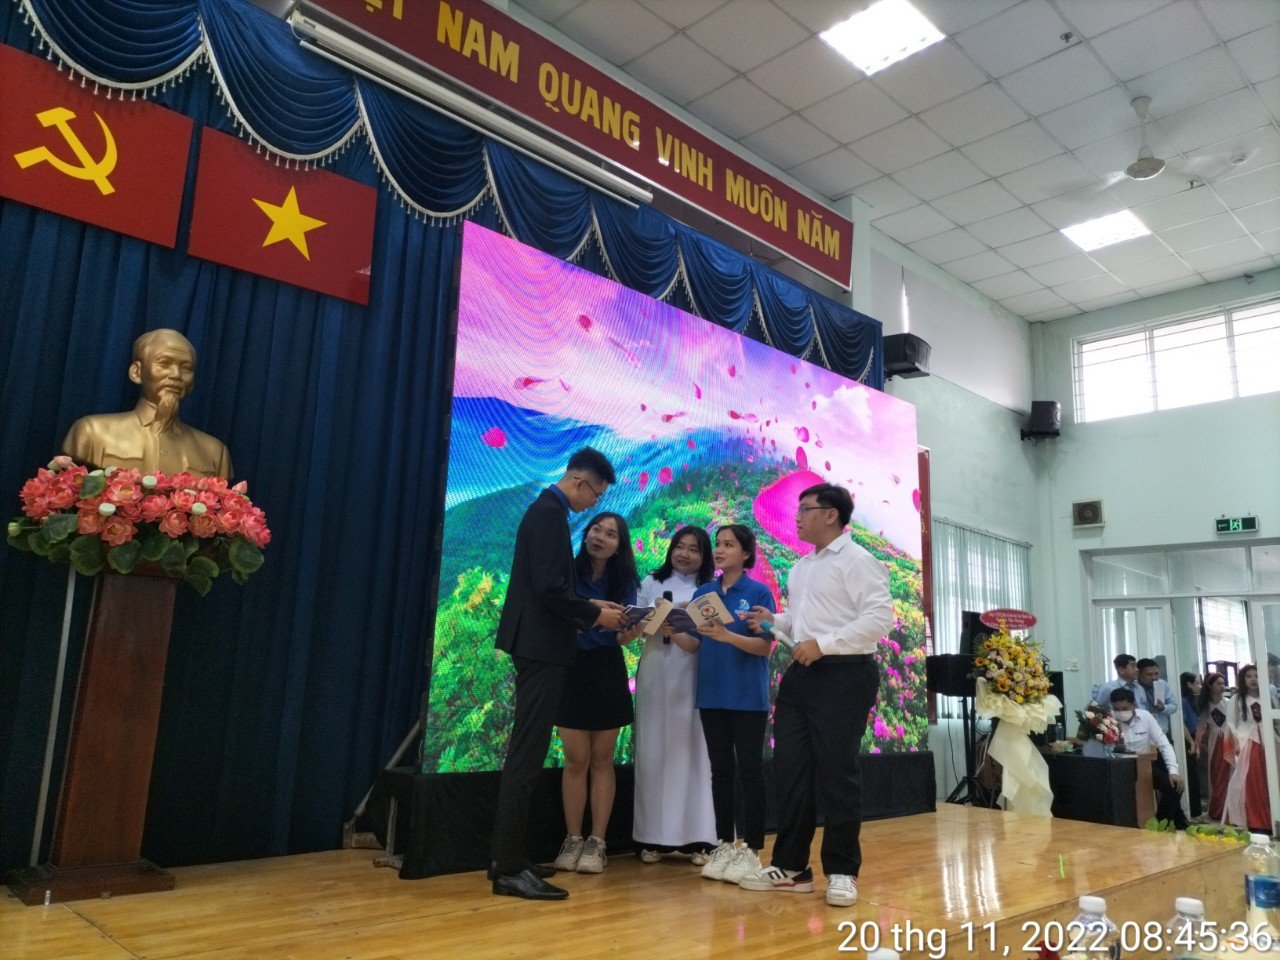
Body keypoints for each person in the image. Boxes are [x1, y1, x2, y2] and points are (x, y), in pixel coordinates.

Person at [739, 483, 893, 908]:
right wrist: (776, 620)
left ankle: (842, 870)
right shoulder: (803, 566)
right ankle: (792, 867)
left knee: (837, 774)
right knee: (791, 771)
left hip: (846, 674)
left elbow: (879, 618)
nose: (797, 518)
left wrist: (823, 644)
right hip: (802, 674)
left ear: (830, 515)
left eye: (805, 510)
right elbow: (804, 620)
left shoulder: (858, 560)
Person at [489, 448, 625, 901]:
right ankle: (508, 869)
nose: (593, 505)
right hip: (540, 648)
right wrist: (595, 615)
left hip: (539, 646)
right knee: (526, 757)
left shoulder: (547, 510)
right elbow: (549, 588)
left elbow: (552, 586)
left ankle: (508, 858)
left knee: (527, 754)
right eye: (596, 495)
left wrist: (591, 606)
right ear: (580, 482)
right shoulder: (549, 513)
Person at [670, 524, 775, 887]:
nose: (719, 549)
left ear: (746, 554)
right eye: (718, 543)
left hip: (747, 697)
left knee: (750, 771)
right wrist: (670, 628)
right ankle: (723, 844)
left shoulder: (758, 592)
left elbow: (764, 647)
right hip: (712, 694)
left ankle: (752, 848)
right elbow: (696, 644)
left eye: (729, 544)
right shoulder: (705, 593)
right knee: (721, 771)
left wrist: (728, 635)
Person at [552, 512, 640, 875]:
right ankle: (573, 838)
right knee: (576, 759)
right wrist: (590, 615)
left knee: (602, 759)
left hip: (606, 668)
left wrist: (630, 633)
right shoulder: (566, 573)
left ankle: (597, 842)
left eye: (610, 534)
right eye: (596, 530)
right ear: (586, 534)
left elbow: (622, 633)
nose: (600, 537)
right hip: (570, 667)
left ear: (619, 546)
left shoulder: (625, 582)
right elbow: (558, 620)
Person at [631, 527, 717, 865]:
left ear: (704, 556)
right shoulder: (651, 581)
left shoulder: (708, 589)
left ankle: (700, 839)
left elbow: (703, 640)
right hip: (655, 671)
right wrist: (649, 621)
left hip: (692, 673)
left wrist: (678, 627)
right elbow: (636, 626)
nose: (684, 554)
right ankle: (653, 837)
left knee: (694, 752)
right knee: (653, 750)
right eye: (679, 547)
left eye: (694, 549)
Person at [62, 328, 232, 478]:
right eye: (164, 363)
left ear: (192, 383)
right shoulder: (92, 432)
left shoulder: (215, 453)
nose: (176, 375)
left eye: (186, 368)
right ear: (137, 372)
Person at [1108, 687, 1187, 829]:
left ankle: (1160, 825)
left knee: (1174, 786)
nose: (1120, 712)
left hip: (1144, 768)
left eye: (1124, 708)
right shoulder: (1108, 722)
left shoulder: (1145, 717)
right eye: (1116, 709)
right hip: (1118, 769)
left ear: (1134, 705)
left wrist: (1173, 771)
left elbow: (1164, 744)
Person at [1223, 664, 1277, 832]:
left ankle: (1272, 819)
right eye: (1249, 676)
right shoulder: (1236, 700)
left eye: (1256, 676)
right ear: (1243, 679)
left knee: (1271, 782)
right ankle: (1254, 820)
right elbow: (1230, 723)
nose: (1253, 679)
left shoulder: (1269, 699)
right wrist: (1235, 743)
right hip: (1248, 743)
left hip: (1269, 743)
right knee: (1251, 782)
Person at [1196, 672, 1230, 823]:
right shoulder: (1205, 706)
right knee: (1217, 776)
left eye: (1223, 683)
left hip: (1230, 739)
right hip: (1215, 742)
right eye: (1219, 684)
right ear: (1210, 686)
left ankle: (1229, 809)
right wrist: (1198, 745)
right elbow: (1201, 727)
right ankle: (1218, 809)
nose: (1222, 686)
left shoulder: (1229, 703)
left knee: (1229, 774)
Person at [1179, 673, 1203, 821]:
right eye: (1197, 683)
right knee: (1191, 776)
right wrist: (1192, 742)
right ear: (1188, 684)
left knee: (1194, 775)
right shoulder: (1182, 701)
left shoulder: (1191, 700)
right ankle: (1193, 813)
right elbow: (1182, 724)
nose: (1199, 686)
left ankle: (1196, 812)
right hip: (1187, 738)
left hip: (1193, 737)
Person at [1136, 658, 1179, 740]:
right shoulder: (1133, 687)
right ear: (1139, 674)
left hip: (1162, 731)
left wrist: (1163, 708)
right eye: (1149, 674)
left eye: (1156, 673)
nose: (1154, 677)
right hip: (1141, 733)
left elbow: (1174, 706)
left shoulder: (1163, 684)